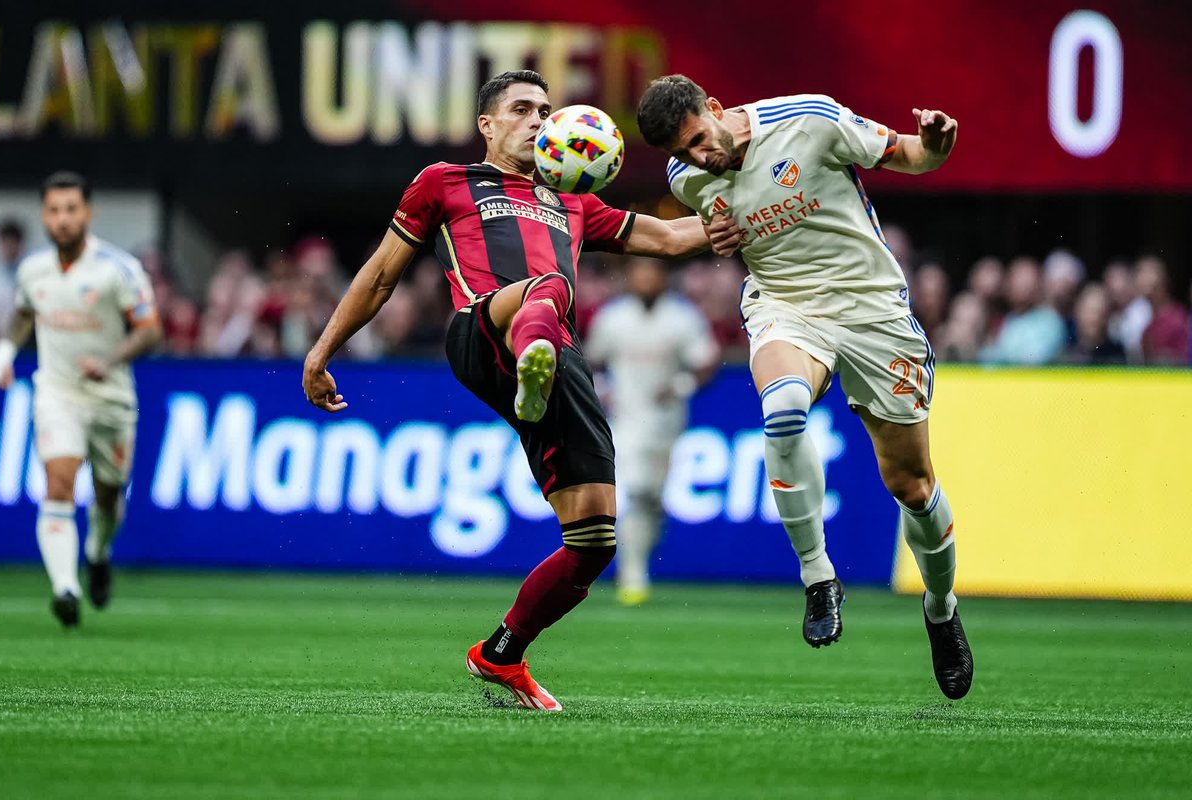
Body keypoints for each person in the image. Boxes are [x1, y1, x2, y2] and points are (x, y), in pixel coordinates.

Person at [301, 70, 712, 711]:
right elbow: (382, 274)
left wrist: (757, 213)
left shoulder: (573, 200)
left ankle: (501, 653)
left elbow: (666, 237)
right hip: (481, 330)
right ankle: (531, 359)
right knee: (552, 286)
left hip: (559, 364)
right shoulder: (444, 182)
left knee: (594, 540)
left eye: (546, 110)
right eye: (522, 109)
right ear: (487, 125)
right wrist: (323, 351)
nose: (538, 119)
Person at [637, 75, 974, 699]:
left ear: (714, 108)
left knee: (912, 484)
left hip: (872, 309)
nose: (699, 158)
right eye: (682, 154)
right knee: (784, 411)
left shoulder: (810, 119)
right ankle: (819, 579)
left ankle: (941, 608)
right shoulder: (688, 181)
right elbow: (717, 228)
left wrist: (937, 143)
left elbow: (913, 155)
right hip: (786, 308)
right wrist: (713, 237)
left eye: (699, 140)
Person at [0, 172, 163, 627]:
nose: (63, 219)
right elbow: (26, 314)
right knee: (59, 483)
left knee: (108, 500)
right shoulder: (33, 270)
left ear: (88, 213)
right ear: (45, 216)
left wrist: (110, 359)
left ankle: (97, 552)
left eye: (71, 210)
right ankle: (65, 587)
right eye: (54, 210)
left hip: (111, 400)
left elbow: (150, 330)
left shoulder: (118, 268)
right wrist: (5, 352)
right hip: (57, 392)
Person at [584, 257, 719, 606]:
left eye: (653, 273)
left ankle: (640, 553)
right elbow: (593, 359)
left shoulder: (683, 317)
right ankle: (632, 575)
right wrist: (602, 388)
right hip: (624, 419)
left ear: (663, 278)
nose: (646, 279)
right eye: (640, 272)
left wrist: (681, 386)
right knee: (636, 490)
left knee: (652, 496)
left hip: (665, 422)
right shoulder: (613, 317)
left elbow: (706, 362)